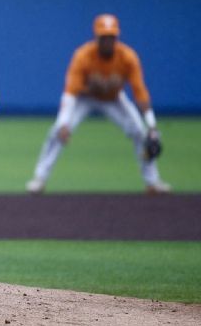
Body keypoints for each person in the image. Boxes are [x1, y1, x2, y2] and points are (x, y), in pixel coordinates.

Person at [26, 14, 171, 195]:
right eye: (104, 37)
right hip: (84, 98)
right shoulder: (83, 56)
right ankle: (39, 179)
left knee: (142, 133)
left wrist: (152, 125)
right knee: (57, 131)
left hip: (114, 98)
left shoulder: (128, 57)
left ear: (116, 37)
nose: (108, 41)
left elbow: (140, 93)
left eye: (112, 37)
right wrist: (64, 123)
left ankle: (152, 182)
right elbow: (70, 94)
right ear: (97, 37)